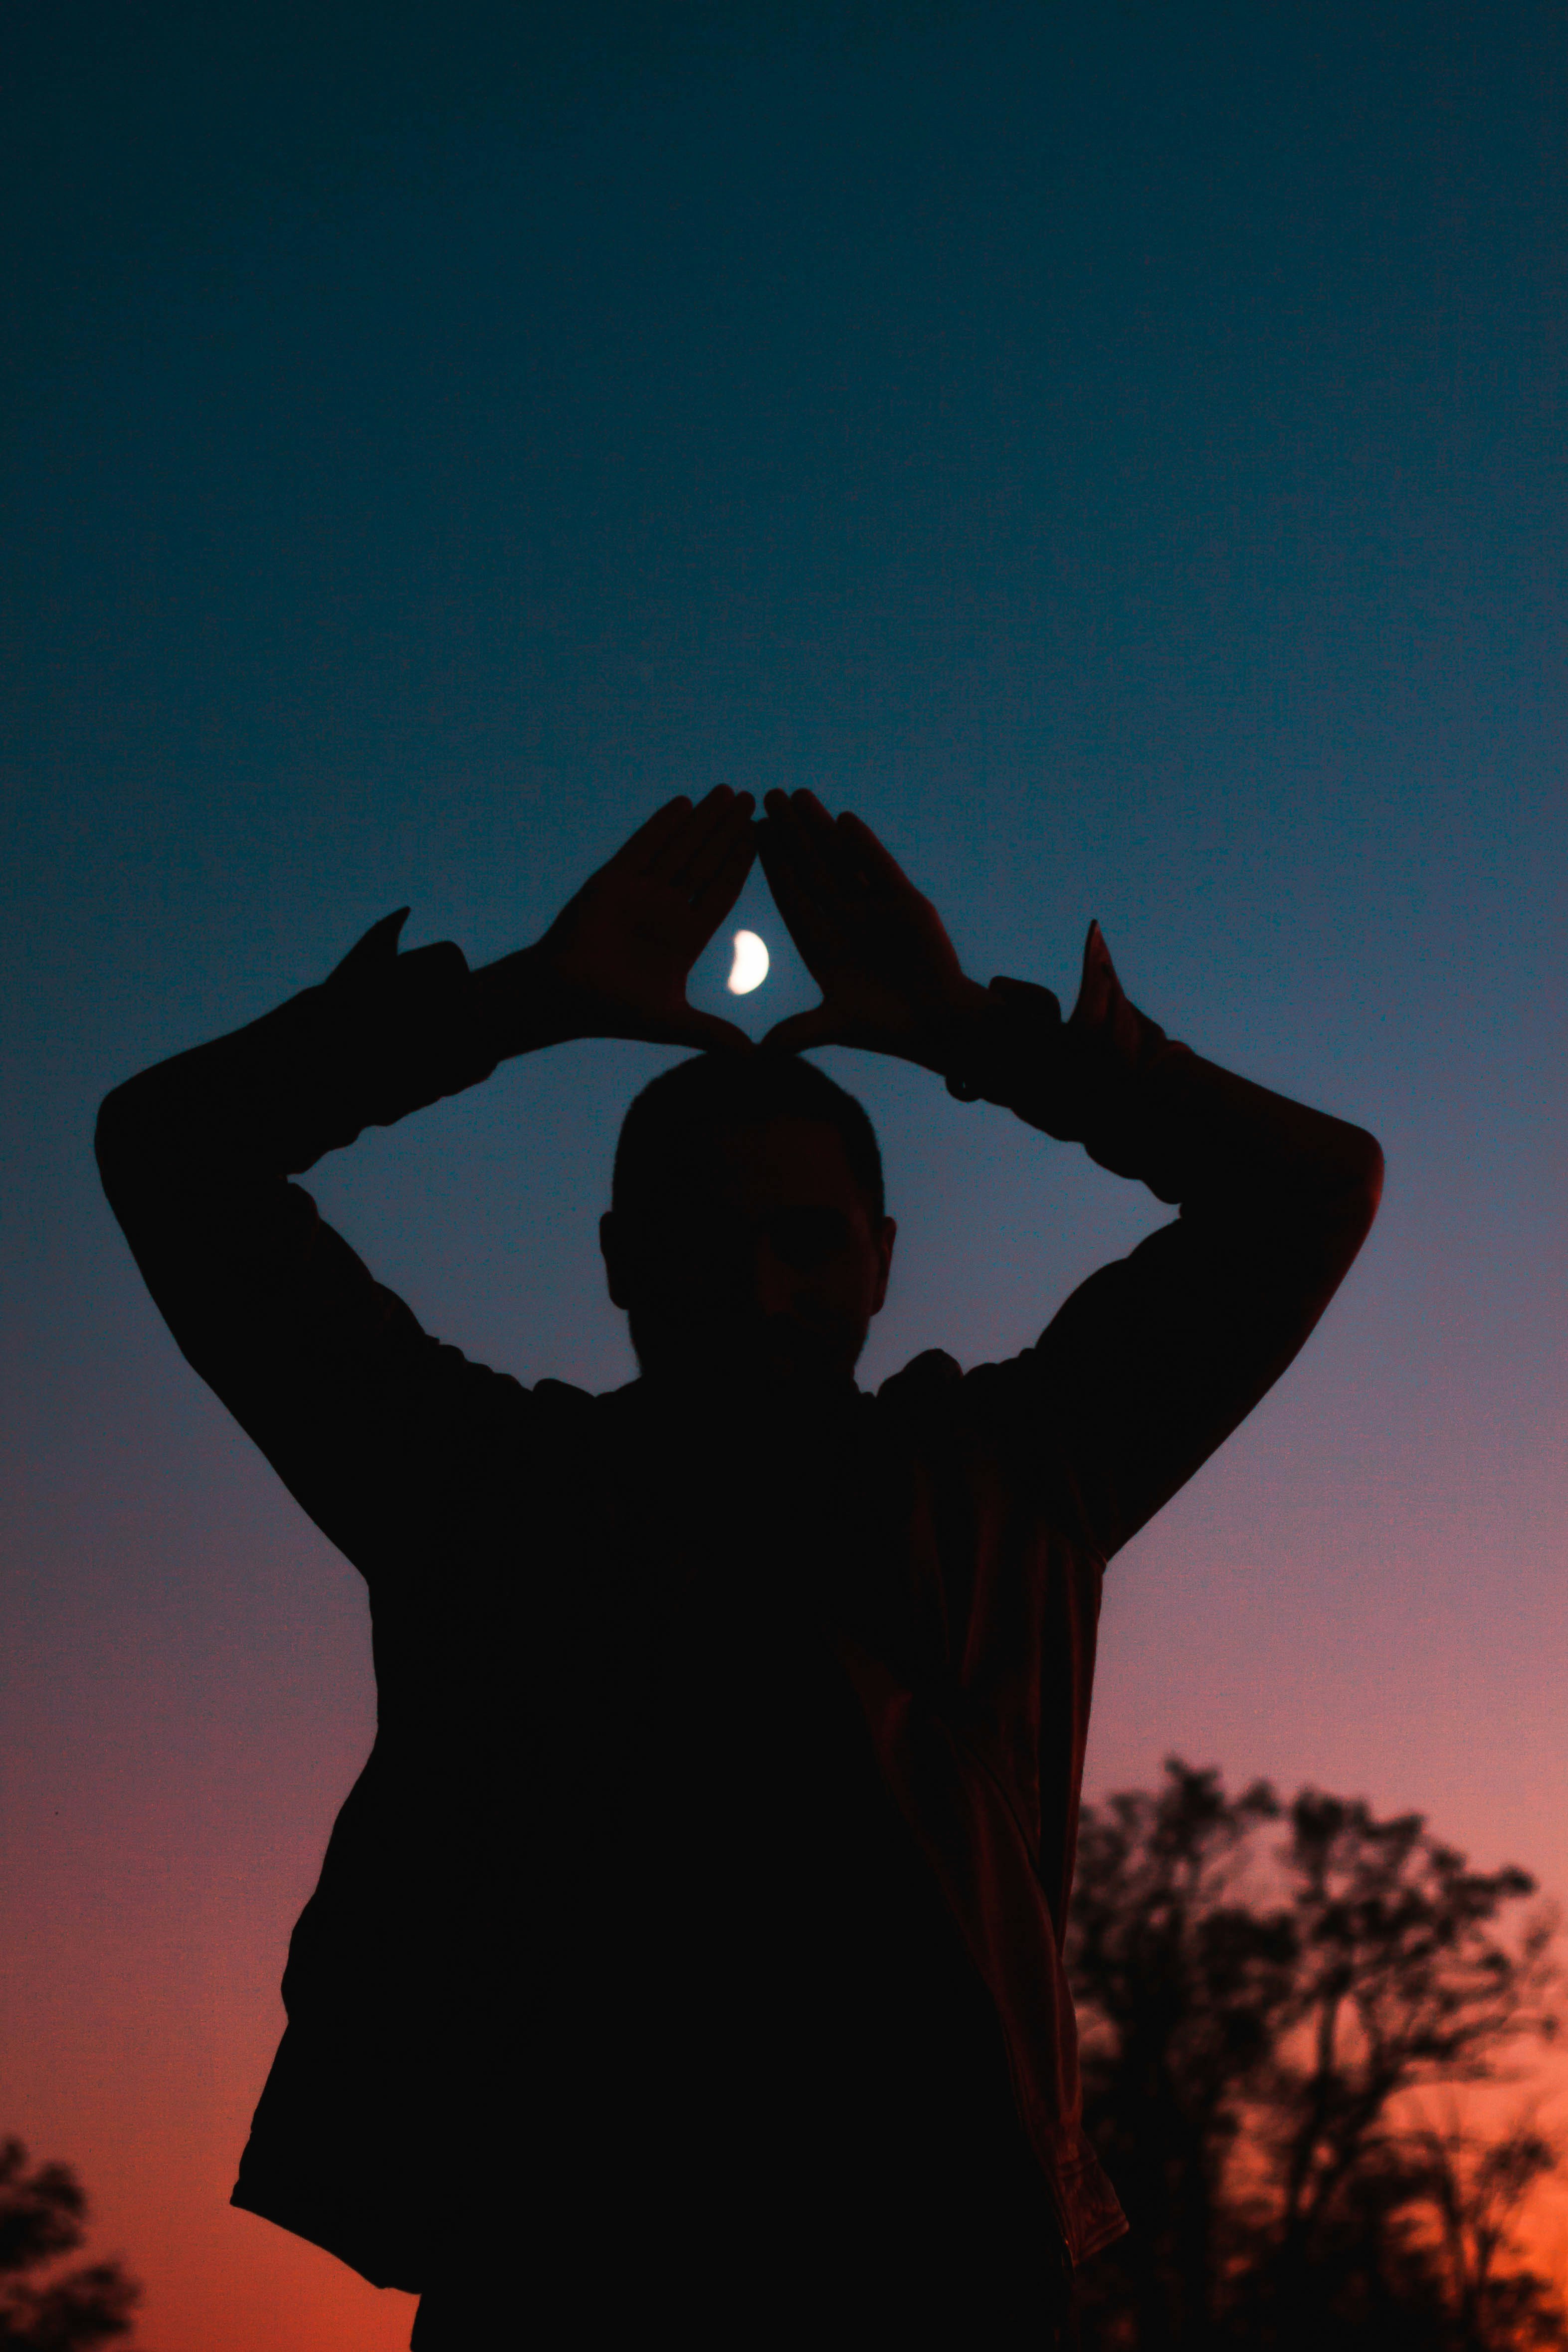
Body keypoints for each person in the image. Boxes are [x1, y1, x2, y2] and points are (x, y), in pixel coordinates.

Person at [95, 787, 1383, 2348]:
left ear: (881, 1257)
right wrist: (517, 1005)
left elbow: (1312, 1190)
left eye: (804, 1243)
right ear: (620, 1260)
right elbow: (172, 1155)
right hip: (561, 2275)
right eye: (704, 1243)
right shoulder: (480, 1489)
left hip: (944, 2272)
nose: (759, 1288)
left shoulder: (1012, 1481)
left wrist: (983, 1034)